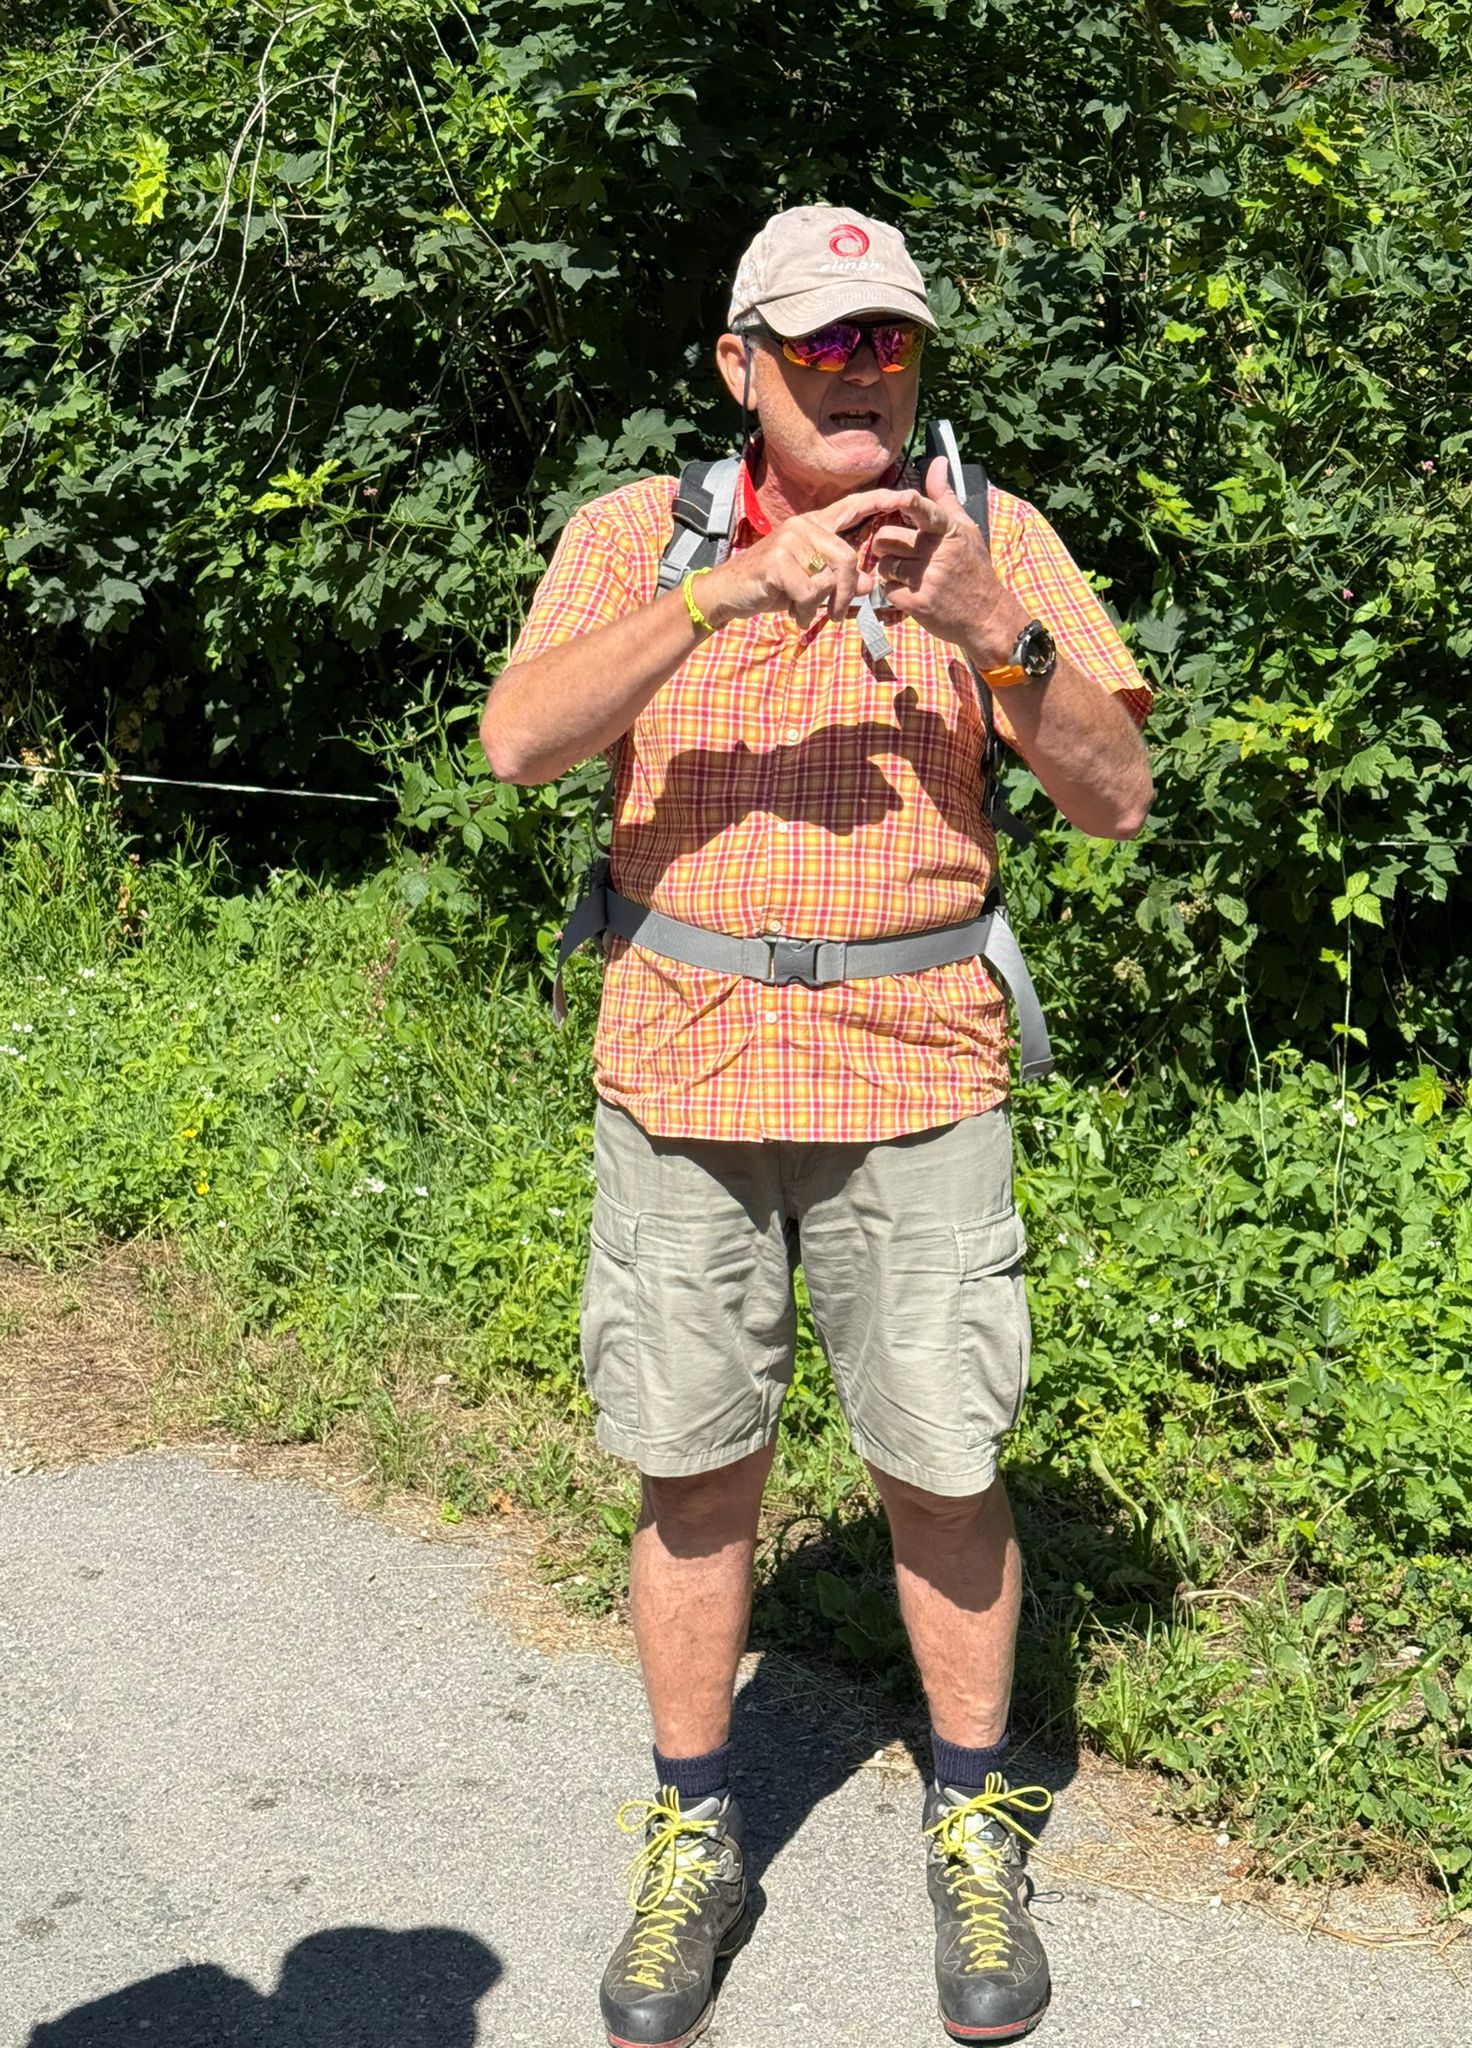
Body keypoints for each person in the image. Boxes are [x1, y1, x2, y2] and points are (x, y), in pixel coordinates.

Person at [481, 203, 1153, 2047]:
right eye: (824, 344)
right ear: (741, 366)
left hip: (918, 1076)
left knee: (943, 1463)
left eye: (890, 342)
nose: (864, 373)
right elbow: (518, 742)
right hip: (683, 1075)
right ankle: (695, 1834)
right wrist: (722, 598)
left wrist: (996, 633)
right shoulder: (637, 535)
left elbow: (1117, 795)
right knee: (692, 1469)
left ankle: (975, 1824)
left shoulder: (995, 538)